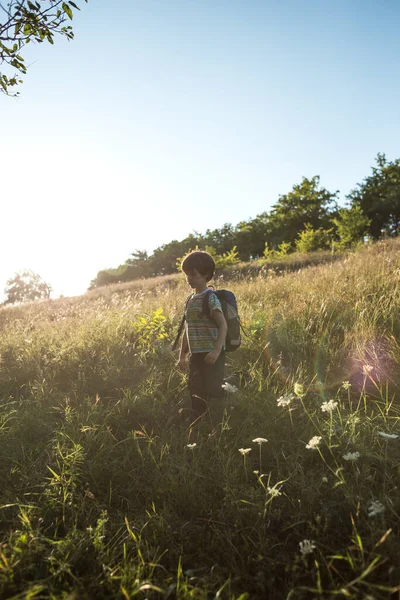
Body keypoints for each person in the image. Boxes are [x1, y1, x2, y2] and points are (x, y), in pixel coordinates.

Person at [178, 251, 228, 420]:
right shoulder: (189, 300)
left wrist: (216, 351)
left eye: (193, 274)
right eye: (186, 274)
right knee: (195, 388)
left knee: (213, 389)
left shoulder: (211, 297)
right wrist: (182, 356)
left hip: (212, 353)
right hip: (196, 354)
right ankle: (198, 421)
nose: (188, 278)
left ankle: (237, 381)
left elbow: (223, 324)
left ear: (206, 275)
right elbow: (188, 329)